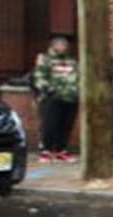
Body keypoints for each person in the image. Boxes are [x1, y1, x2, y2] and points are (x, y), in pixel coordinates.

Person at [32, 35, 79, 163]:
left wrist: (78, 90)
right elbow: (39, 76)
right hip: (51, 98)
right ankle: (46, 150)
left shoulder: (72, 61)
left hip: (70, 97)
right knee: (49, 124)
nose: (63, 48)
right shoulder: (45, 59)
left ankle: (61, 149)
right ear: (54, 46)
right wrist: (47, 89)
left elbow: (78, 76)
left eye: (64, 46)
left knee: (66, 124)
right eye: (60, 45)